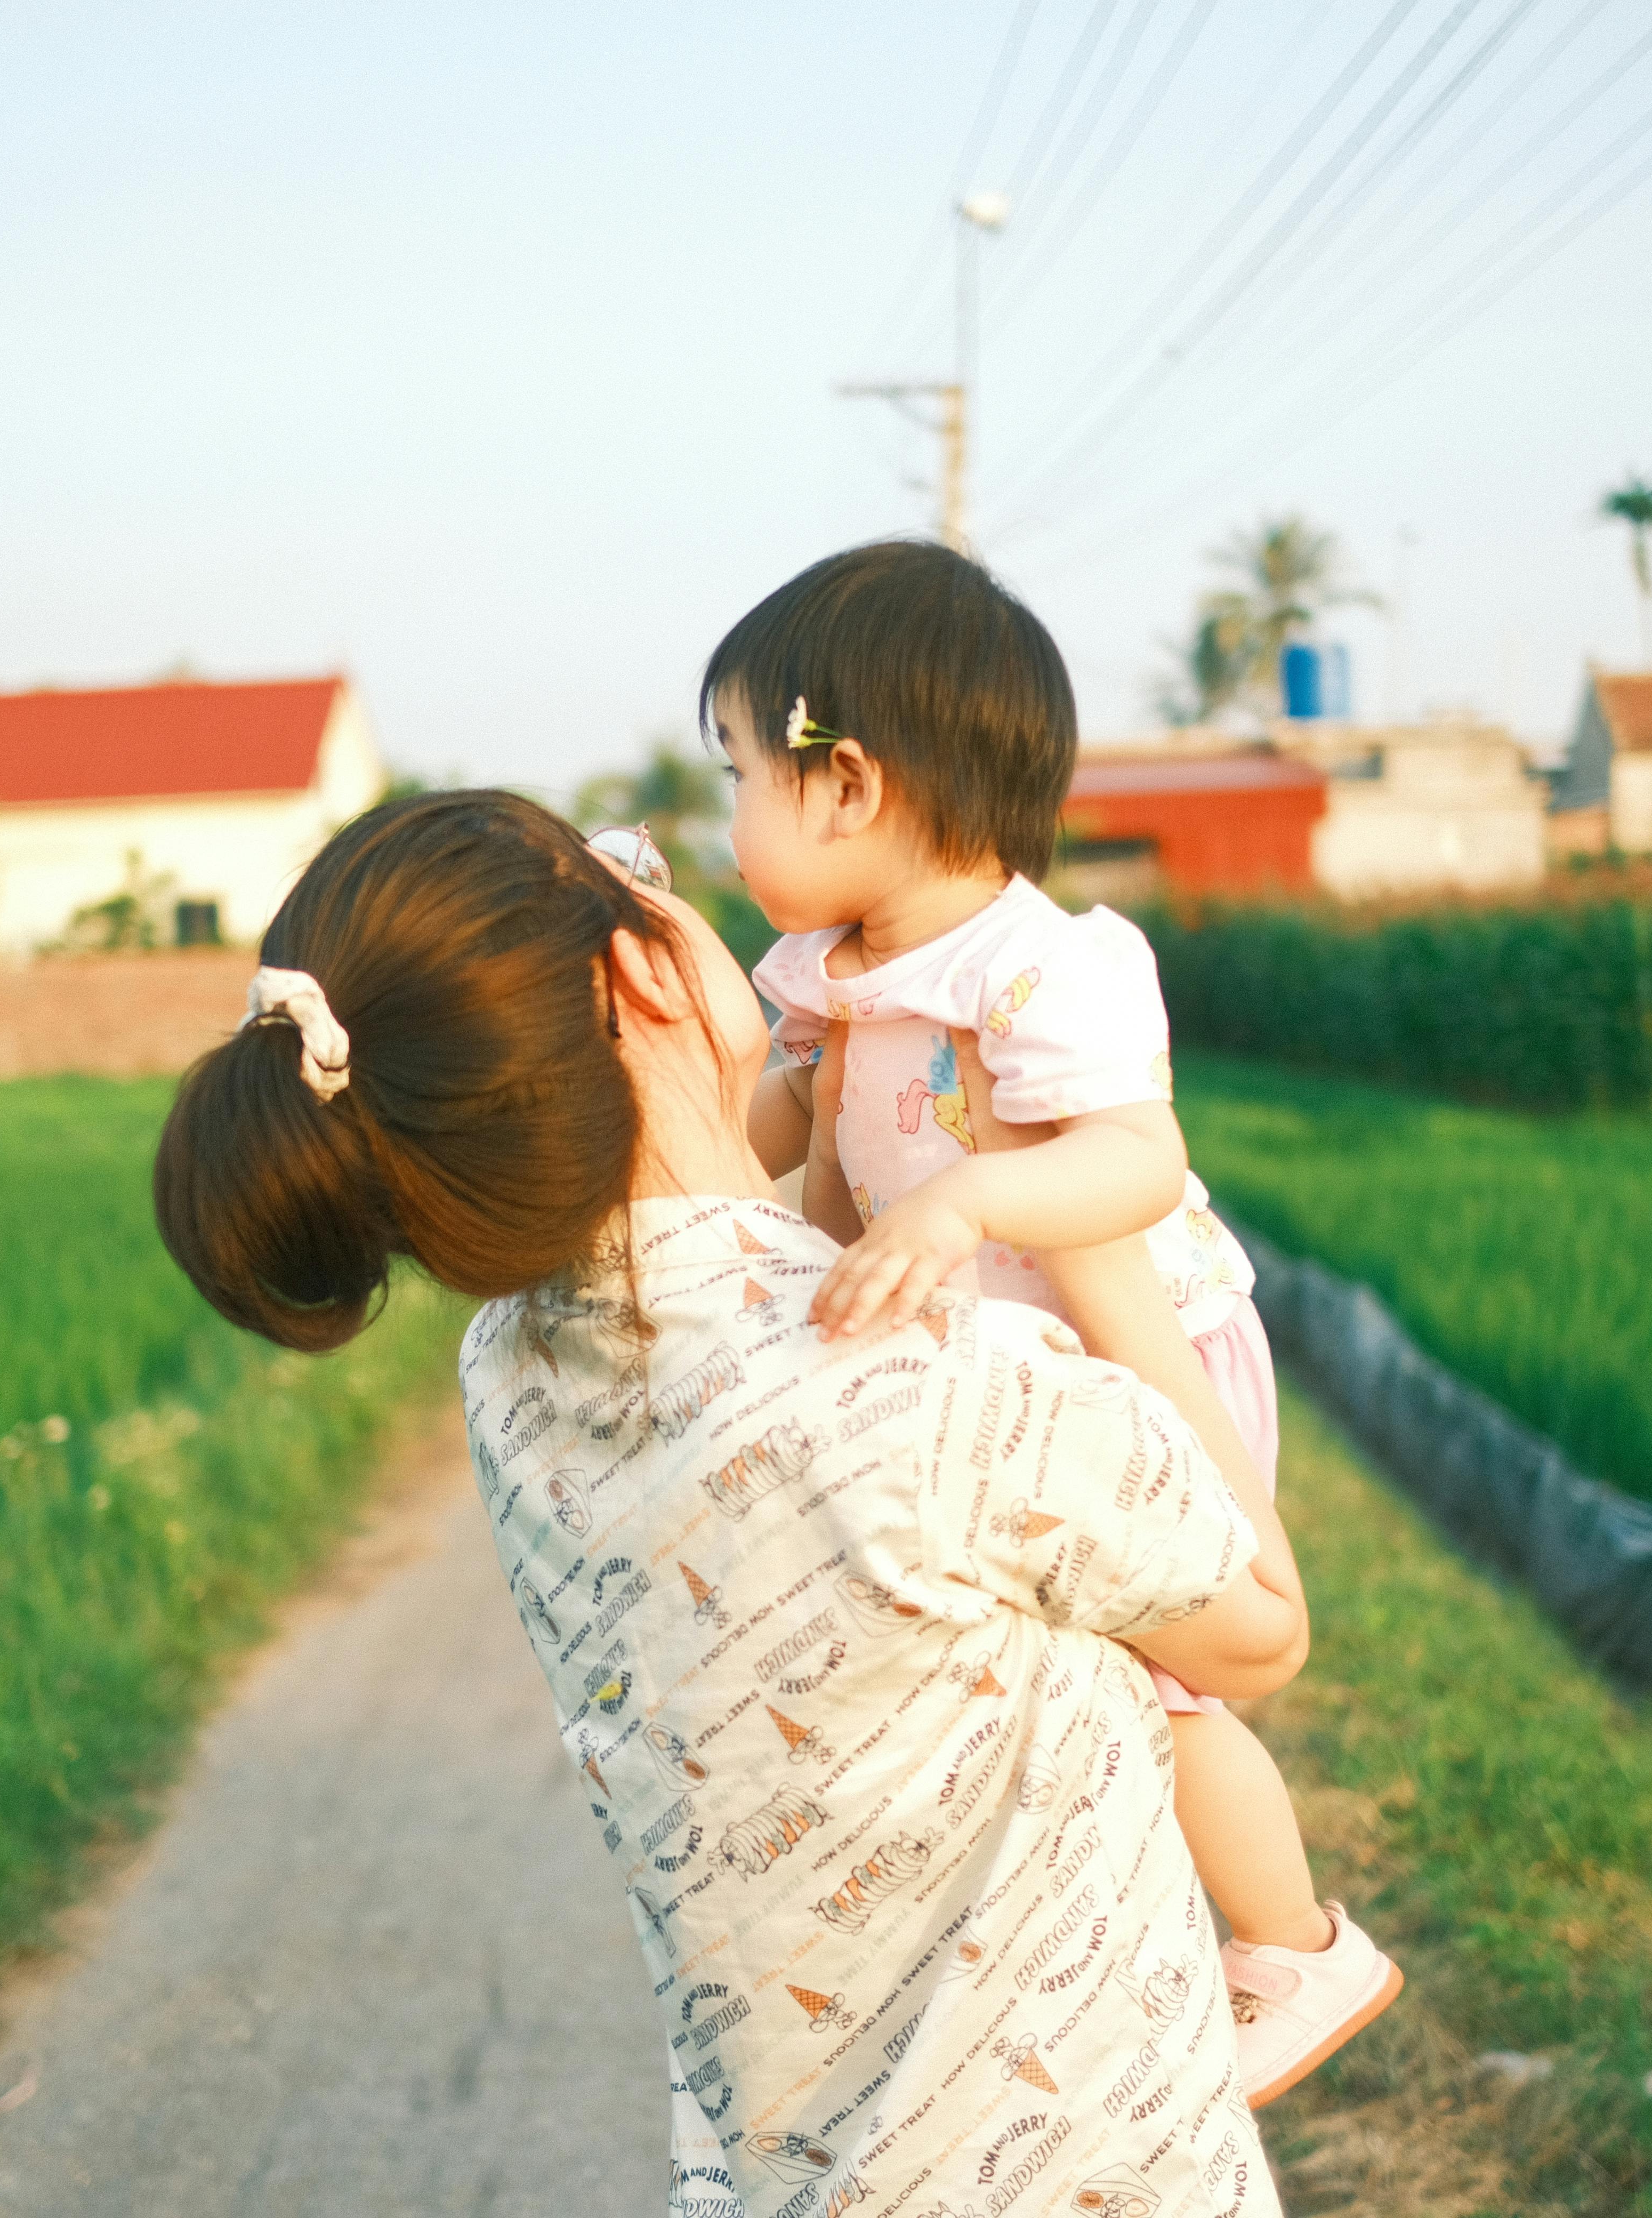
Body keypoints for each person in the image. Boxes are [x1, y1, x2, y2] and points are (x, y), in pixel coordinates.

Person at [155, 789, 1306, 2216]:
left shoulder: (509, 1381)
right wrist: (1082, 1236)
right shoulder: (929, 1374)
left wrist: (830, 1139)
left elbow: (739, 1320)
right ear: (642, 970)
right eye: (641, 873)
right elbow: (1260, 1631)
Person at [718, 540, 1401, 2103]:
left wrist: (961, 1206)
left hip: (1141, 1352)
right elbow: (770, 1137)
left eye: (743, 771)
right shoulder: (837, 978)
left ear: (848, 786)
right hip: (1020, 1382)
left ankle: (1299, 1946)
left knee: (1173, 1679)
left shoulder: (1038, 967)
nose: (732, 816)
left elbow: (1134, 1157)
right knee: (1064, 1682)